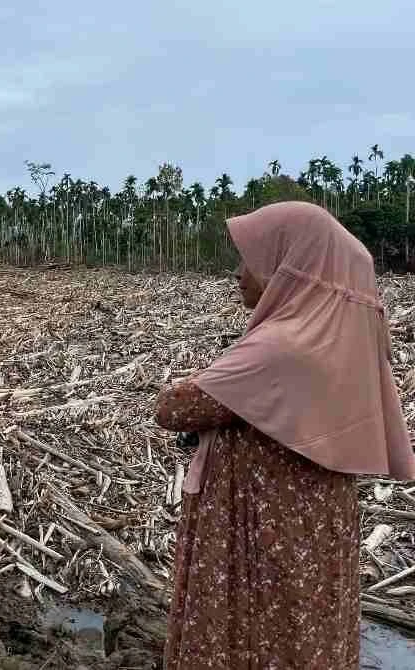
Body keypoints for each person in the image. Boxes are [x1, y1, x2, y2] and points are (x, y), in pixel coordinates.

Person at [154, 201, 415, 669]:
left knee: (256, 623)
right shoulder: (344, 342)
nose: (238, 273)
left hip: (263, 522)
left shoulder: (282, 346)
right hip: (320, 521)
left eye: (250, 260)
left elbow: (175, 407)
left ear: (288, 269)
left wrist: (193, 382)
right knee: (305, 624)